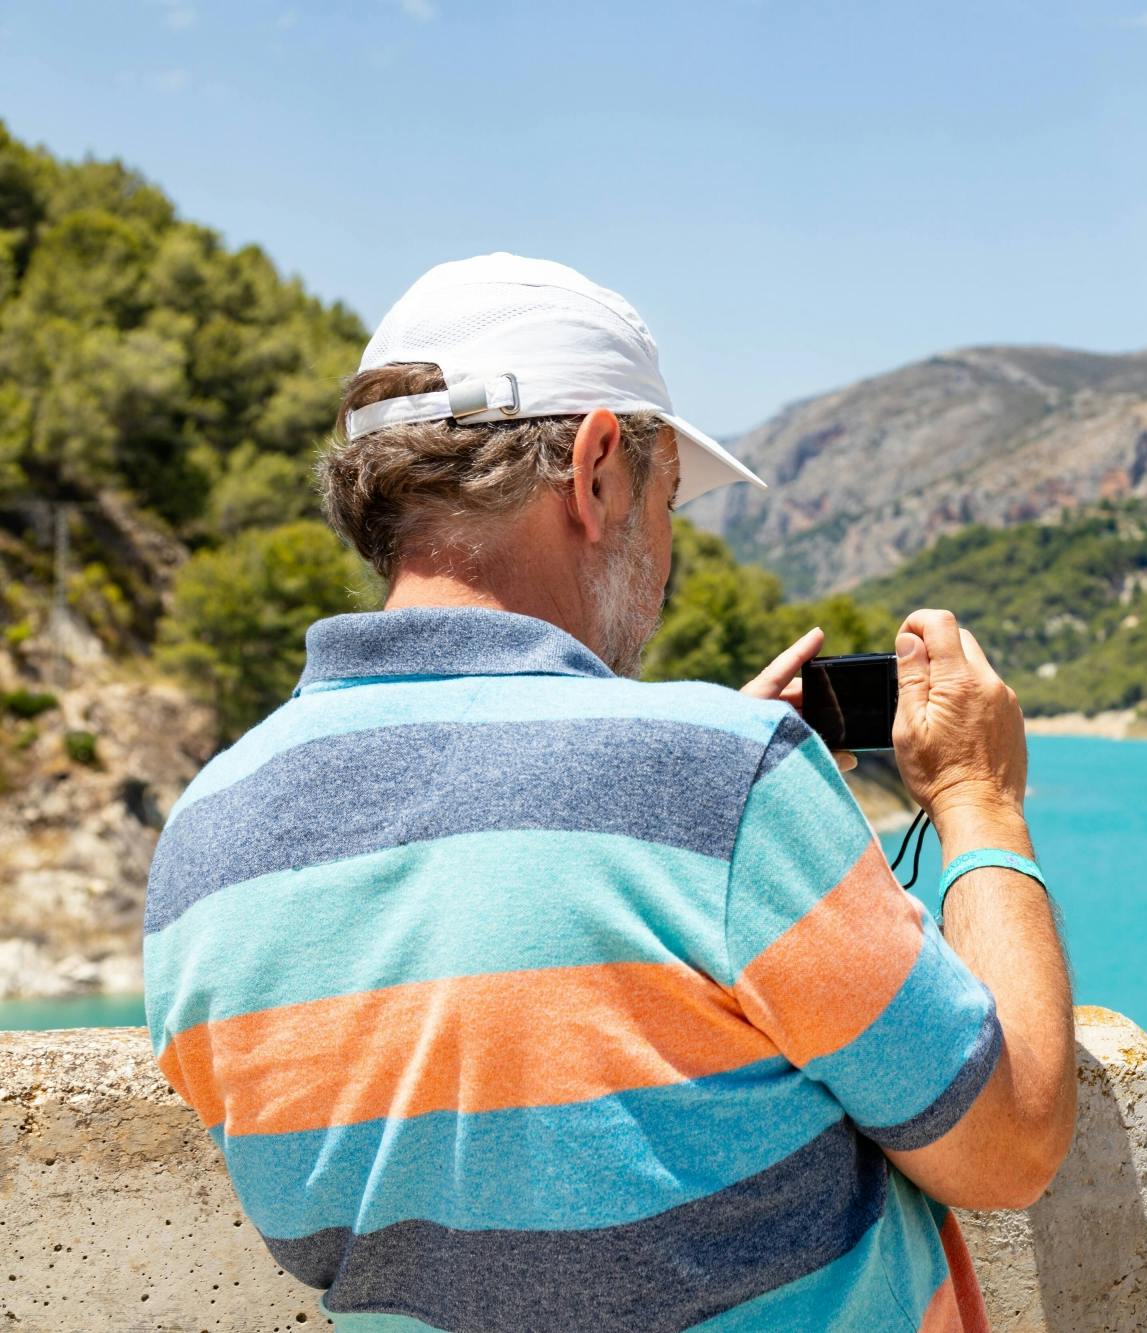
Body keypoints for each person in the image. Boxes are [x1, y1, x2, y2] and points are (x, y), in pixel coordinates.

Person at [142, 254, 1075, 1333]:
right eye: (668, 496)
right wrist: (975, 794)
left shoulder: (203, 837)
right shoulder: (717, 777)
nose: (670, 547)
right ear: (595, 468)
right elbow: (1010, 1144)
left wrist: (661, 793)